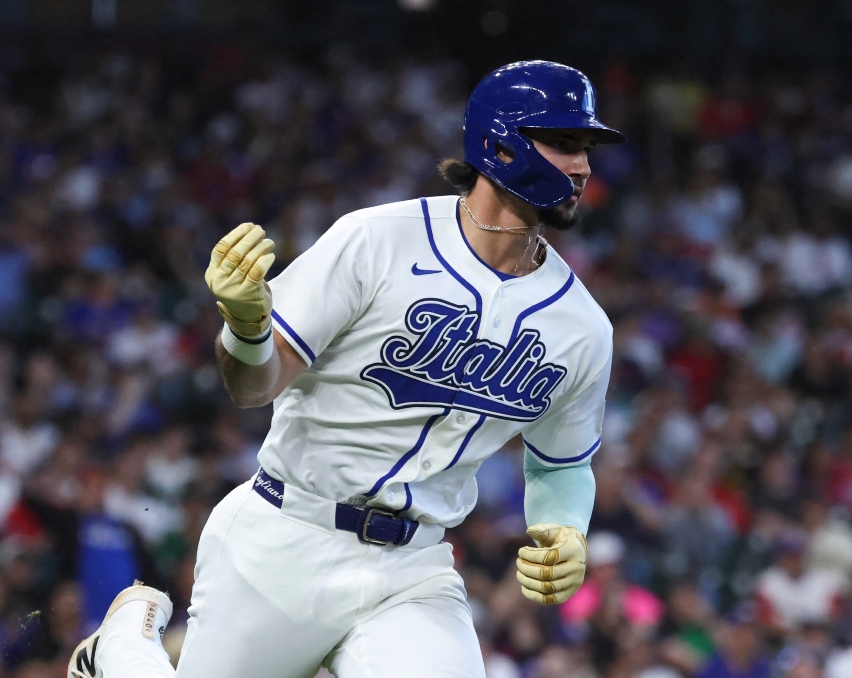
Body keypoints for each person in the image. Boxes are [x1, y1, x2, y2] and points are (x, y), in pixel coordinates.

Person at [67, 60, 623, 678]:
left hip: (412, 572)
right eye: (565, 144)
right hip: (285, 539)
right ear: (499, 143)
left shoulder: (582, 326)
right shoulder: (378, 240)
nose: (583, 167)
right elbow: (254, 386)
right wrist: (248, 330)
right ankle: (120, 648)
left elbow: (561, 463)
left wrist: (566, 529)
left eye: (587, 149)